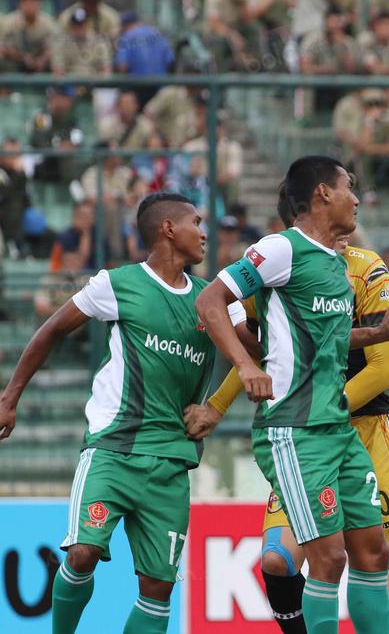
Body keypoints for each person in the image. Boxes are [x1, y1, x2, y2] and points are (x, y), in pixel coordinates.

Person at [187, 187, 389, 634]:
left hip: (361, 427)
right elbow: (264, 349)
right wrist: (218, 404)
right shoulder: (278, 262)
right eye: (345, 193)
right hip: (304, 430)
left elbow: (381, 371)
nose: (354, 204)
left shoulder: (363, 268)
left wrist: (332, 393)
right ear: (314, 208)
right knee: (283, 558)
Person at [0, 193, 247, 634]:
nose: (204, 232)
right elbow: (51, 330)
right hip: (113, 450)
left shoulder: (214, 300)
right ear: (168, 229)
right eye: (195, 222)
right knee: (82, 553)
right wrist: (9, 398)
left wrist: (216, 406)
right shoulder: (118, 284)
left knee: (158, 588)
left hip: (171, 461)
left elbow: (257, 351)